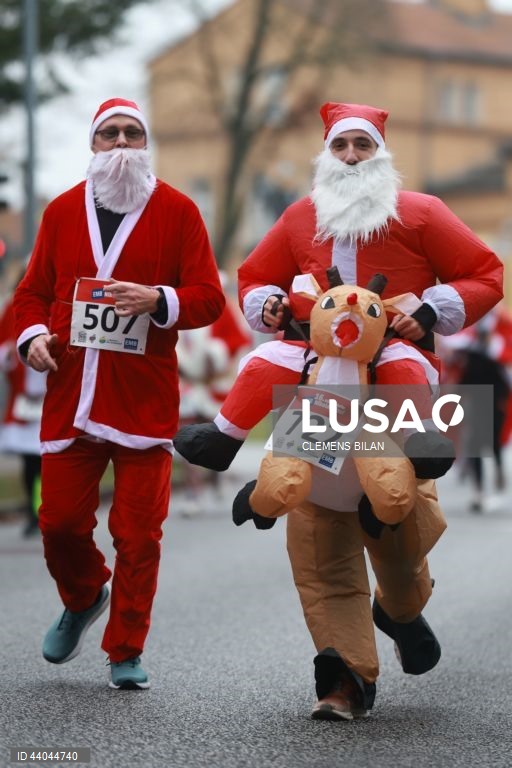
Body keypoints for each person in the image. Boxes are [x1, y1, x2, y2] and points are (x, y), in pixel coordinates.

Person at [175, 102, 503, 718]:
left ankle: (400, 609)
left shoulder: (423, 213)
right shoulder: (300, 217)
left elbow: (485, 274)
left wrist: (428, 313)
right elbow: (253, 279)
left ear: (381, 153)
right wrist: (270, 305)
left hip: (394, 389)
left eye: (363, 146)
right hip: (316, 387)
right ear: (326, 154)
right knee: (320, 536)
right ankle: (344, 677)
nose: (352, 157)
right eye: (342, 147)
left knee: (401, 533)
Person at [13, 97, 225, 690]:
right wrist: (31, 337)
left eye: (134, 133)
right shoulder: (59, 213)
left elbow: (209, 296)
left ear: (146, 143)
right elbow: (30, 294)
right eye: (110, 134)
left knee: (138, 536)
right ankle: (84, 597)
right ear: (93, 144)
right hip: (71, 398)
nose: (122, 144)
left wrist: (161, 300)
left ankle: (126, 649)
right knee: (57, 524)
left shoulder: (179, 212)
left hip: (142, 403)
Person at [0, 281, 45, 537]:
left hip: (54, 398)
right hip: (26, 401)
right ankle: (34, 511)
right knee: (30, 462)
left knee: (50, 462)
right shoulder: (12, 307)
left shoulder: (60, 304)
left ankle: (45, 510)